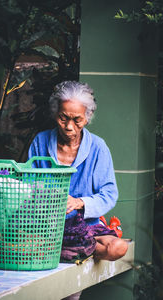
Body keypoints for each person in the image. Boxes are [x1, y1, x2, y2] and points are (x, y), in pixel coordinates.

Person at [28, 81, 128, 300]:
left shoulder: (98, 147)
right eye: (63, 117)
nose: (69, 127)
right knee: (20, 248)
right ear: (55, 113)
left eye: (77, 120)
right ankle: (71, 251)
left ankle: (74, 250)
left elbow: (109, 193)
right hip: (48, 227)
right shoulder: (40, 142)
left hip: (86, 228)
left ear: (87, 117)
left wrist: (80, 202)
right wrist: (48, 202)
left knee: (118, 248)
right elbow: (29, 186)